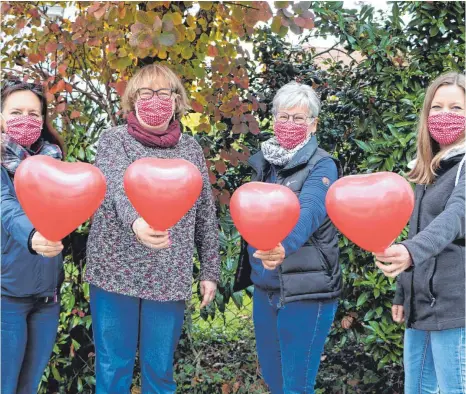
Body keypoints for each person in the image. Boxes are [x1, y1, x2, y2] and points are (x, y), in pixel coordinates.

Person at [85, 63, 221, 394]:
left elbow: (205, 211)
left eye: (164, 92)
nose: (155, 99)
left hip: (169, 274)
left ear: (177, 100)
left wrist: (210, 270)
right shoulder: (113, 141)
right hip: (114, 273)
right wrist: (136, 222)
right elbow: (115, 186)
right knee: (112, 368)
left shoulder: (190, 149)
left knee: (159, 371)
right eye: (146, 92)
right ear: (133, 99)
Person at [234, 81, 342, 394]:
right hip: (266, 286)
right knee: (273, 379)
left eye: (299, 118)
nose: (290, 124)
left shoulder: (322, 164)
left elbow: (309, 211)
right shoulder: (266, 163)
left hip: (306, 289)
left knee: (297, 385)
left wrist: (283, 246)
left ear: (313, 124)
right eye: (284, 116)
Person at [375, 72, 465, 393]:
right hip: (422, 310)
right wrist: (404, 291)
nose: (445, 115)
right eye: (437, 107)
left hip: (456, 310)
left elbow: (456, 217)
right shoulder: (426, 169)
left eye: (456, 108)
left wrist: (411, 252)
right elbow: (418, 229)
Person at [1, 80, 65, 394]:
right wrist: (33, 236)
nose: (25, 119)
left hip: (46, 299)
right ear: (1, 117)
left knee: (28, 388)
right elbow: (6, 207)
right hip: (5, 298)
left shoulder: (55, 159)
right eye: (15, 112)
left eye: (33, 113)